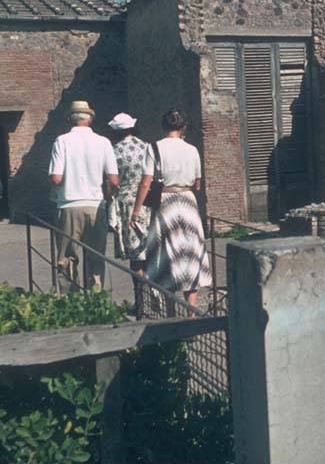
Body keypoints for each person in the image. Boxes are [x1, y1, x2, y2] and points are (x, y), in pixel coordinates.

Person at [132, 108, 212, 309]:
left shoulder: (154, 148)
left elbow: (146, 182)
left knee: (167, 255)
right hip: (187, 201)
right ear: (183, 128)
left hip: (165, 201)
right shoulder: (192, 149)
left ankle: (170, 313)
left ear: (163, 127)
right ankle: (192, 313)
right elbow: (197, 184)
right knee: (190, 254)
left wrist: (136, 211)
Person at [49, 100, 119, 290]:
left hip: (69, 205)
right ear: (90, 119)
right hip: (96, 205)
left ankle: (70, 302)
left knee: (66, 258)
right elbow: (113, 180)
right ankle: (96, 299)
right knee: (96, 257)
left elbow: (56, 178)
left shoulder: (62, 141)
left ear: (70, 119)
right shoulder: (103, 142)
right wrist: (109, 197)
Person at [106, 113, 152, 274]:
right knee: (148, 248)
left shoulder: (114, 151)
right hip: (147, 200)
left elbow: (112, 181)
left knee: (135, 253)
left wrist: (109, 197)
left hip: (126, 202)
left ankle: (139, 294)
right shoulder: (146, 147)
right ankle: (154, 293)